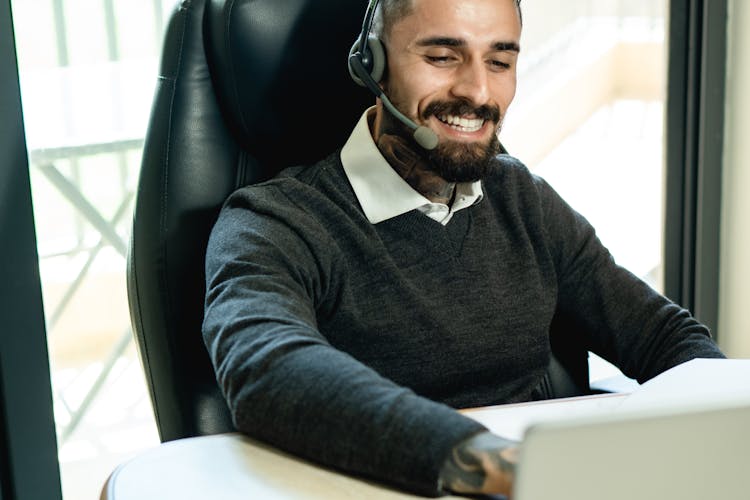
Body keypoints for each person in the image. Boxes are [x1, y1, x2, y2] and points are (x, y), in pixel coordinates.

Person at [202, 0, 724, 497]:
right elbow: (266, 369)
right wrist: (503, 467)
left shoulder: (521, 198)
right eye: (442, 56)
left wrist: (724, 433)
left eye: (500, 60)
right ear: (372, 63)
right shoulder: (276, 221)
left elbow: (665, 338)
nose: (477, 91)